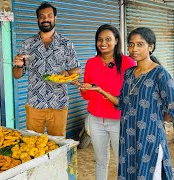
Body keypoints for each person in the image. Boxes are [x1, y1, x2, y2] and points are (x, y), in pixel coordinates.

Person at [86, 27, 174, 179]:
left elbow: (171, 105)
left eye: (140, 44)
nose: (134, 49)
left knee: (150, 173)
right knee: (130, 171)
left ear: (151, 47)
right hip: (128, 134)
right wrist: (100, 90)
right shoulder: (129, 73)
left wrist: (155, 124)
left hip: (149, 136)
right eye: (131, 44)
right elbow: (122, 102)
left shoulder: (160, 74)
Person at [12, 2, 81, 137]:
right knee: (33, 144)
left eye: (49, 16)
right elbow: (17, 75)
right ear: (37, 19)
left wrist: (67, 73)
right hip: (34, 103)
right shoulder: (28, 44)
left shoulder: (65, 43)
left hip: (58, 102)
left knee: (58, 145)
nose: (46, 19)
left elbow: (77, 69)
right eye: (42, 16)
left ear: (55, 18)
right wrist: (19, 65)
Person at [79, 24, 135, 180]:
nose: (103, 43)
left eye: (108, 39)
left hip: (120, 120)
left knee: (122, 161)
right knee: (101, 161)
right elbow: (88, 95)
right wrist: (83, 88)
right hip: (96, 120)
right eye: (99, 39)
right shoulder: (91, 63)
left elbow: (133, 94)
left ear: (116, 40)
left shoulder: (128, 63)